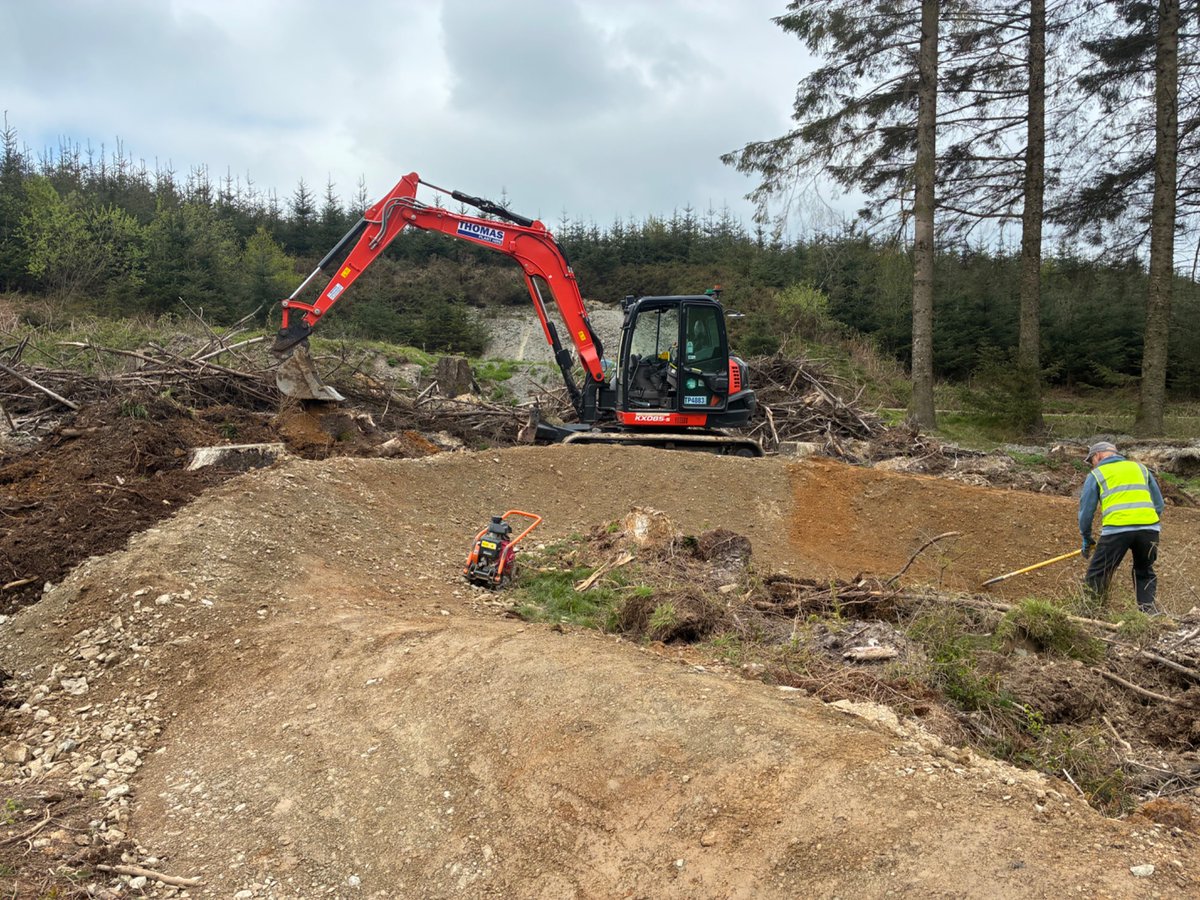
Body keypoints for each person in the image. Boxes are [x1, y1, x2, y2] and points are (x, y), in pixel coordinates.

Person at [1078, 441, 1165, 614]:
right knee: (1144, 571)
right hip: (1149, 529)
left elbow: (1086, 513)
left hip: (1116, 530)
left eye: (1091, 461)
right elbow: (1159, 505)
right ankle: (1149, 615)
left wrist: (1087, 538)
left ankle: (1090, 614)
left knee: (1098, 573)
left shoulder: (1097, 474)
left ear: (1098, 456)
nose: (1092, 465)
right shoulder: (1140, 468)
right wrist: (1146, 523)